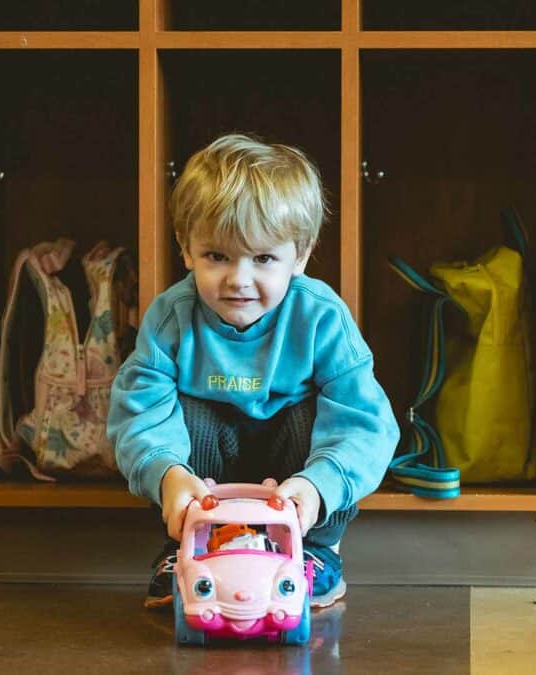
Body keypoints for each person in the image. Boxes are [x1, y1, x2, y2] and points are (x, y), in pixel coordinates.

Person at [107, 133, 399, 610]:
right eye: (217, 256)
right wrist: (167, 475)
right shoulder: (171, 317)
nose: (239, 279)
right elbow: (139, 411)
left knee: (314, 416)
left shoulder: (322, 317)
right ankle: (185, 547)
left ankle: (318, 551)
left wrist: (318, 485)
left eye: (263, 258)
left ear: (300, 256)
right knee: (185, 411)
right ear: (186, 249)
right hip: (206, 481)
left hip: (292, 474)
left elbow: (364, 420)